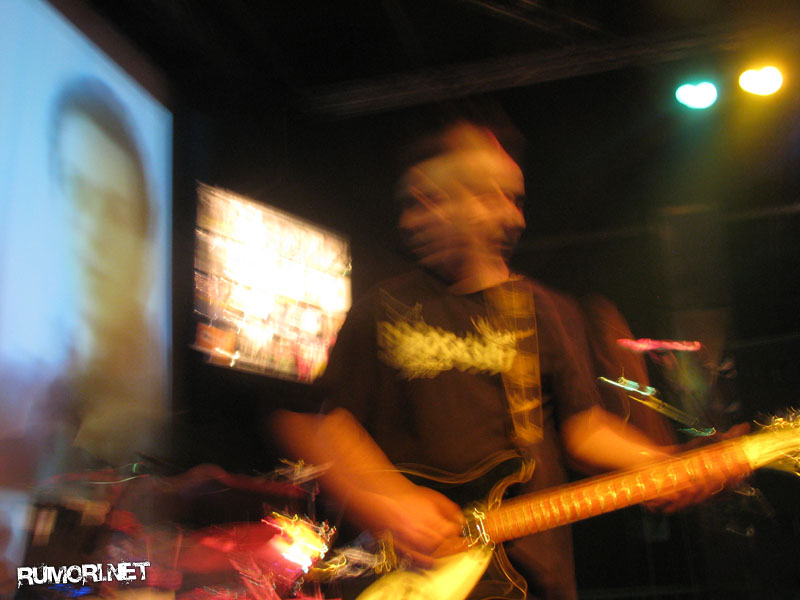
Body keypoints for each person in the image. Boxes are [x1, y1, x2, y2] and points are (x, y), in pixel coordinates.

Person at [272, 120, 713, 599]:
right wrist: (389, 505)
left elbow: (585, 429)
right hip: (416, 577)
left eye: (514, 199)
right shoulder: (382, 308)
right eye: (493, 196)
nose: (513, 217)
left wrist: (661, 465)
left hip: (531, 577)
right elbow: (318, 423)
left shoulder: (546, 311)